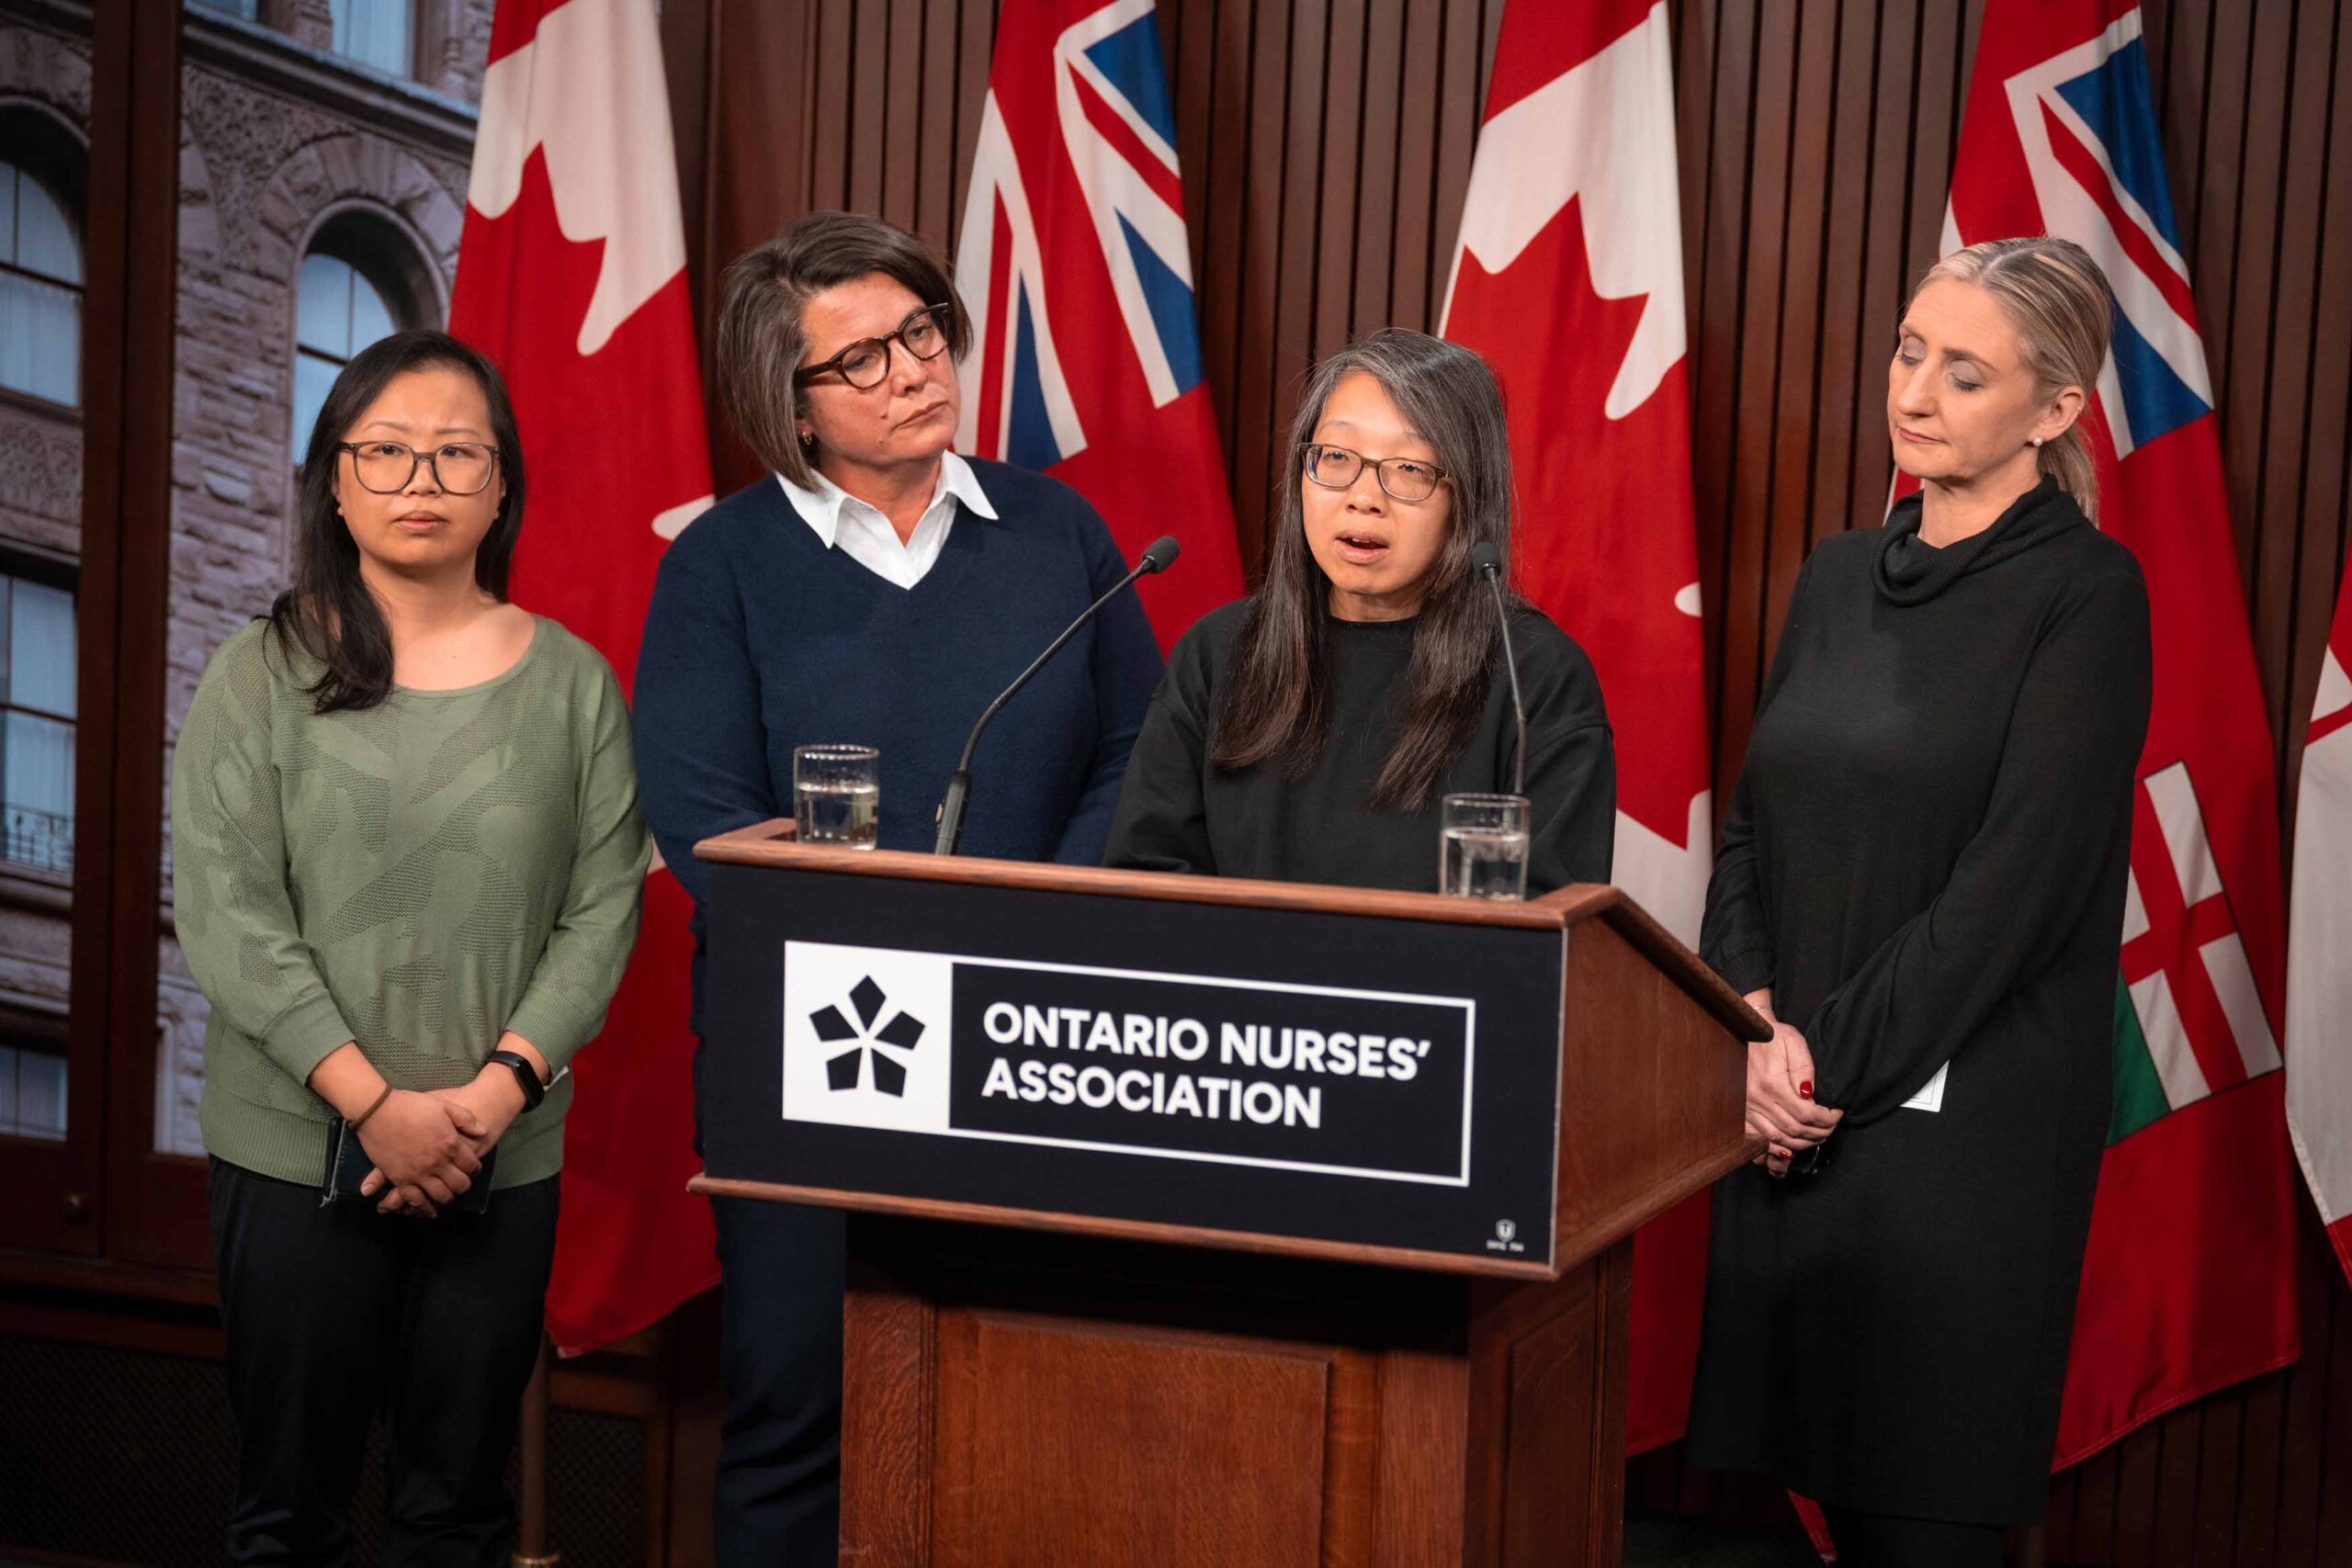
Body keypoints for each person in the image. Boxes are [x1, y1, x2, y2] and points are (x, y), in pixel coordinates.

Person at [632, 210, 1163, 1562]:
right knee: (796, 1405)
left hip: (1033, 1028)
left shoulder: (1058, 533)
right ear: (790, 404)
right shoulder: (721, 565)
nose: (915, 368)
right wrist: (892, 937)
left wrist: (1029, 923)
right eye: (863, 359)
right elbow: (699, 811)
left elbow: (1137, 755)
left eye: (922, 331)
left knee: (1025, 1403)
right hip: (816, 1047)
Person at [1686, 237, 2153, 1566]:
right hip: (1788, 1112)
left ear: (2055, 410)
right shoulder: (1837, 573)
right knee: (1798, 1507)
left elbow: (2012, 892)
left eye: (1963, 370)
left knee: (1920, 1521)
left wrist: (1811, 1069)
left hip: (1955, 1144)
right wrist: (1746, 1020)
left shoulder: (2088, 593)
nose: (1916, 391)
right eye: (1908, 352)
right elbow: (1753, 821)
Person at [173, 329, 649, 1564]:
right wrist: (372, 1102)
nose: (419, 478)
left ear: (503, 484)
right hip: (292, 1153)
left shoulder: (577, 687)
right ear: (335, 480)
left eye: (454, 451)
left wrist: (490, 1097)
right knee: (289, 1517)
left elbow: (603, 911)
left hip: (504, 1148)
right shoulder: (258, 673)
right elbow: (227, 912)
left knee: (459, 1516)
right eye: (383, 451)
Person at [1104, 327, 1613, 893]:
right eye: (1337, 456)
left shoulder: (1534, 680)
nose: (1363, 496)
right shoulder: (1220, 653)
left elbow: (1555, 926)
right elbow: (1146, 879)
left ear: (1466, 499)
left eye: (1409, 469)